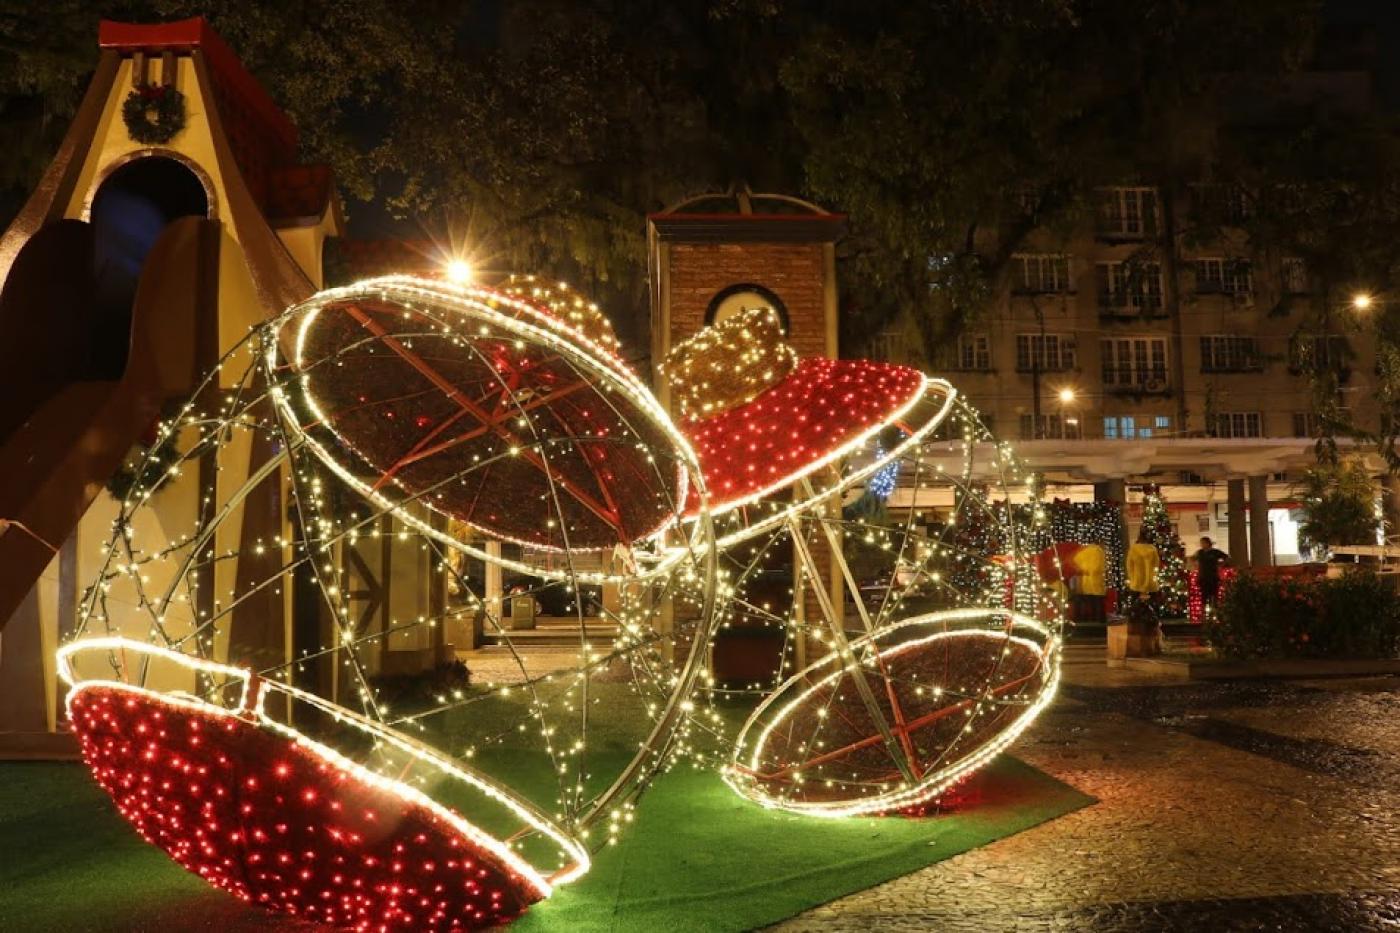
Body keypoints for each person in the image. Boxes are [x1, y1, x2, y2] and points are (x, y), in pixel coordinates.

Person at [1195, 536, 1230, 611]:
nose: (1202, 544)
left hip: (1213, 576)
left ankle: (1214, 612)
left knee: (1214, 595)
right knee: (1203, 596)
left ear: (1208, 543)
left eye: (1203, 543)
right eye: (1201, 543)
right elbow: (1194, 559)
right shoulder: (1200, 552)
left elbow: (1226, 557)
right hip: (1203, 577)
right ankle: (1204, 614)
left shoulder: (1215, 552)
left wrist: (1221, 565)